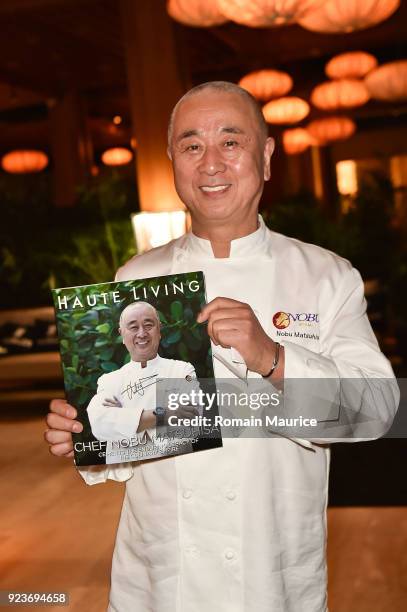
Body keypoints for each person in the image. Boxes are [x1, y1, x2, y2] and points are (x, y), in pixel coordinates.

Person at [45, 81, 399, 612]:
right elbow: (129, 433)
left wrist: (273, 358)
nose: (210, 163)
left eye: (230, 142)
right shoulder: (138, 279)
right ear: (173, 163)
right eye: (191, 146)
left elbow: (378, 411)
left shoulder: (326, 276)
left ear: (266, 157)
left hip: (273, 579)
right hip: (161, 584)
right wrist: (84, 435)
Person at [86, 301, 200, 464]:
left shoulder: (182, 370)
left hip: (177, 469)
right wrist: (165, 413)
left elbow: (191, 422)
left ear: (159, 330)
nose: (142, 333)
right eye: (133, 327)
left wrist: (124, 420)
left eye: (148, 325)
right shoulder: (108, 380)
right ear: (122, 334)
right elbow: (100, 425)